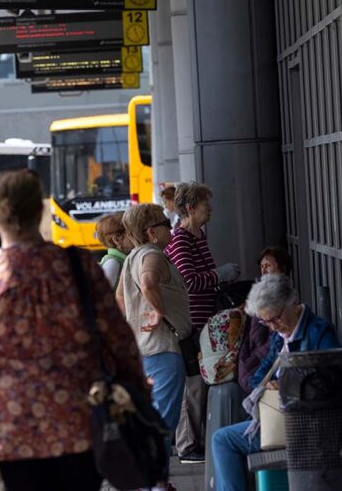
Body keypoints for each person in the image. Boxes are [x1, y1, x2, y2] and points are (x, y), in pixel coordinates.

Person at [0, 170, 147, 491]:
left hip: (12, 435)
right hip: (80, 424)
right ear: (40, 211)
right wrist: (139, 391)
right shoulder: (79, 266)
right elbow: (120, 340)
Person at [211, 274, 340, 491]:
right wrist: (266, 385)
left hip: (308, 425)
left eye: (275, 318)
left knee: (223, 441)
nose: (272, 326)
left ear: (292, 303)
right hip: (282, 418)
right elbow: (257, 377)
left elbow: (332, 382)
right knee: (222, 440)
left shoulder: (318, 331)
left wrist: (288, 385)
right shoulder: (279, 336)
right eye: (266, 322)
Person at [117, 202, 192, 491]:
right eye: (165, 223)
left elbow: (120, 298)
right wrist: (158, 311)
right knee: (163, 423)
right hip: (163, 349)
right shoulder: (152, 255)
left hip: (143, 350)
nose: (170, 228)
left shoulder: (132, 257)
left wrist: (132, 325)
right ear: (151, 232)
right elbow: (148, 283)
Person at [164, 181, 239, 464]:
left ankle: (196, 440)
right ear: (191, 207)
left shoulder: (198, 236)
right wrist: (221, 274)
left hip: (205, 318)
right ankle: (187, 445)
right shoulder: (181, 239)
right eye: (206, 203)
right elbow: (190, 281)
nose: (211, 209)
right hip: (193, 320)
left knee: (202, 381)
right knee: (194, 384)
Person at [238, 246, 293, 393]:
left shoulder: (285, 301)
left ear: (282, 268)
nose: (264, 270)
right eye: (262, 266)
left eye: (268, 265)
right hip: (256, 359)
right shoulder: (260, 295)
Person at [94, 211, 132, 290]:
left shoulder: (126, 259)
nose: (137, 235)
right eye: (131, 233)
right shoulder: (113, 263)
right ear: (117, 240)